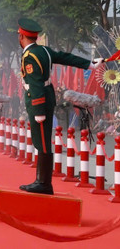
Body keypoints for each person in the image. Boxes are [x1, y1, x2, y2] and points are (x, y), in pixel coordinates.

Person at [17, 18, 100, 195]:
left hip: (39, 100)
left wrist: (38, 109)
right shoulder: (44, 51)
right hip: (47, 96)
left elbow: (36, 83)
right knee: (42, 140)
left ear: (22, 36)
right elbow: (65, 57)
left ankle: (44, 183)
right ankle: (41, 180)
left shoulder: (30, 56)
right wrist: (89, 63)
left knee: (42, 141)